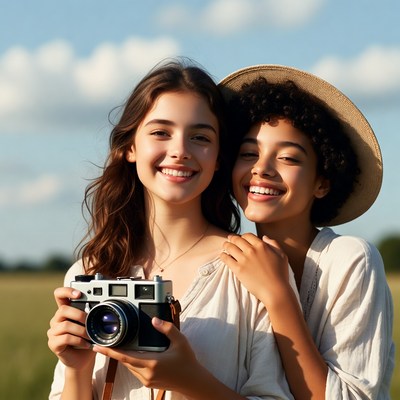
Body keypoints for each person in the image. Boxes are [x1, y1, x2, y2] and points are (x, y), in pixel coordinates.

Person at [47, 60, 296, 400]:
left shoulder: (252, 268)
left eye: (199, 137)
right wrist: (77, 368)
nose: (179, 151)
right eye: (161, 132)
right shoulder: (91, 272)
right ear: (130, 147)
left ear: (219, 157)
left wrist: (189, 381)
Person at [219, 65, 395, 400]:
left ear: (322, 182)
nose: (261, 168)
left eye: (288, 157)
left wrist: (279, 295)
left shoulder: (351, 259)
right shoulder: (229, 261)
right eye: (248, 154)